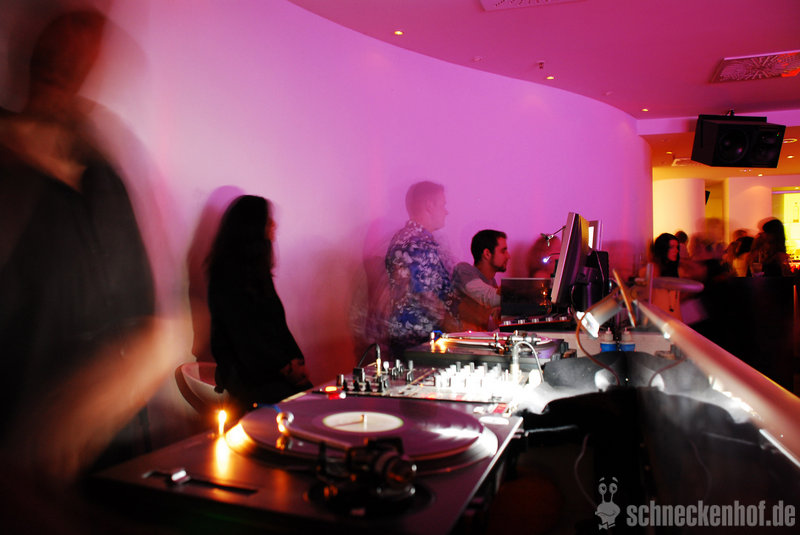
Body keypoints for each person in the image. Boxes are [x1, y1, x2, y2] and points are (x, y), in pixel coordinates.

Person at [206, 195, 312, 413]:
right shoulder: (226, 278)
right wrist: (286, 368)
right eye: (268, 220)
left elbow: (277, 326)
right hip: (250, 379)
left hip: (271, 373)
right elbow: (244, 339)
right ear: (252, 227)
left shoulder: (258, 274)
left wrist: (296, 362)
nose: (274, 225)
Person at [385, 181, 456, 357]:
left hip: (411, 340)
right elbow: (425, 297)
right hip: (417, 343)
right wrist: (462, 328)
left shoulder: (407, 237)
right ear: (429, 206)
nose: (446, 211)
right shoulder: (417, 243)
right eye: (443, 205)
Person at [452, 230, 509, 331]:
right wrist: (526, 295)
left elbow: (496, 318)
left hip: (477, 338)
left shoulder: (492, 282)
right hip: (456, 338)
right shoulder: (464, 270)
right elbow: (487, 297)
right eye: (503, 251)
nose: (508, 256)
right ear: (487, 254)